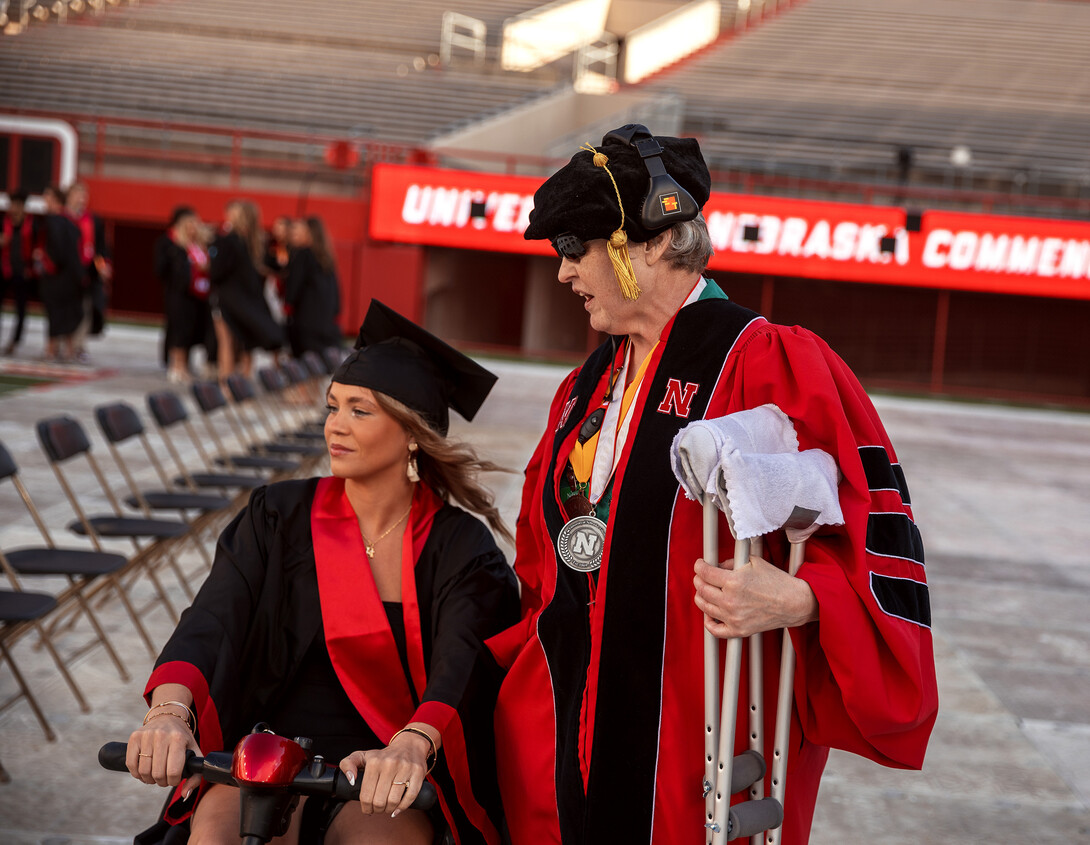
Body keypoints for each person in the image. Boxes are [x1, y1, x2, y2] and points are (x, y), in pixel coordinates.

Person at [487, 125, 938, 844]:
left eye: (578, 248)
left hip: (699, 741)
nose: (565, 273)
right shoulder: (585, 388)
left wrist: (807, 596)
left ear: (656, 242)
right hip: (566, 732)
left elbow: (862, 523)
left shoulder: (766, 361)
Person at [124, 299, 519, 845]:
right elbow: (213, 616)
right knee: (218, 836)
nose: (335, 426)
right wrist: (168, 710)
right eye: (333, 407)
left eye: (360, 410)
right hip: (266, 753)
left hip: (382, 766)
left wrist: (412, 745)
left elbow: (464, 663)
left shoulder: (459, 548)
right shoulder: (277, 517)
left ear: (411, 433)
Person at [209, 199, 283, 379]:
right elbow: (272, 266)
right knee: (246, 342)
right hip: (250, 300)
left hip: (227, 298)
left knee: (226, 342)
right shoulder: (258, 242)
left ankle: (226, 383)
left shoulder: (228, 240)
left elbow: (217, 271)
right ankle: (244, 379)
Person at [154, 206, 215, 384]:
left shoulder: (197, 246)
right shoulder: (172, 244)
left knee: (190, 330)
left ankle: (185, 365)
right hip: (178, 294)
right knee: (178, 330)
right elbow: (161, 269)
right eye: (190, 225)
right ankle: (176, 365)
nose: (194, 228)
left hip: (197, 294)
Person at [35, 185, 83, 362]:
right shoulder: (70, 221)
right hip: (70, 276)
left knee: (55, 311)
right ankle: (68, 349)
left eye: (47, 197)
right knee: (67, 311)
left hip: (56, 275)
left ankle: (51, 348)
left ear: (54, 200)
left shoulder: (54, 221)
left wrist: (45, 261)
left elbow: (58, 251)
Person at [66, 181, 112, 363]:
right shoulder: (62, 218)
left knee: (86, 309)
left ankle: (79, 346)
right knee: (66, 309)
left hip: (87, 271)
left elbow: (100, 248)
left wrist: (103, 266)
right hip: (67, 272)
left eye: (84, 196)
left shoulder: (92, 219)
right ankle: (65, 344)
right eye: (78, 195)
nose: (81, 199)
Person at [284, 216, 343, 358]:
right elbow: (337, 295)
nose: (293, 235)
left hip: (305, 322)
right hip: (325, 323)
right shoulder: (326, 258)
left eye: (298, 231)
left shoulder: (302, 254)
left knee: (303, 367)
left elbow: (293, 289)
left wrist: (287, 304)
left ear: (309, 234)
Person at [0, 189, 36, 356]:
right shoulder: (3, 222)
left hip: (22, 271)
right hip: (4, 269)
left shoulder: (31, 223)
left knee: (21, 308)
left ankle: (14, 342)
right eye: (11, 204)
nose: (13, 208)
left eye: (17, 205)